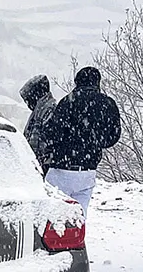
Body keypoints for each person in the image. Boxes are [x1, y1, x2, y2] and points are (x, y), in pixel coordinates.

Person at [41, 66, 121, 218]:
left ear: (77, 81)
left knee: (51, 219)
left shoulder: (68, 101)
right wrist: (94, 140)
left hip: (61, 169)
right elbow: (113, 136)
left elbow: (51, 133)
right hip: (87, 171)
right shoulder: (107, 103)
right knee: (79, 220)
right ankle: (75, 241)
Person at [20, 74, 56, 172]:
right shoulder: (39, 111)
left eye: (28, 100)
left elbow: (46, 142)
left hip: (43, 166)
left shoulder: (49, 110)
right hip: (37, 164)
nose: (27, 104)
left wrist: (41, 162)